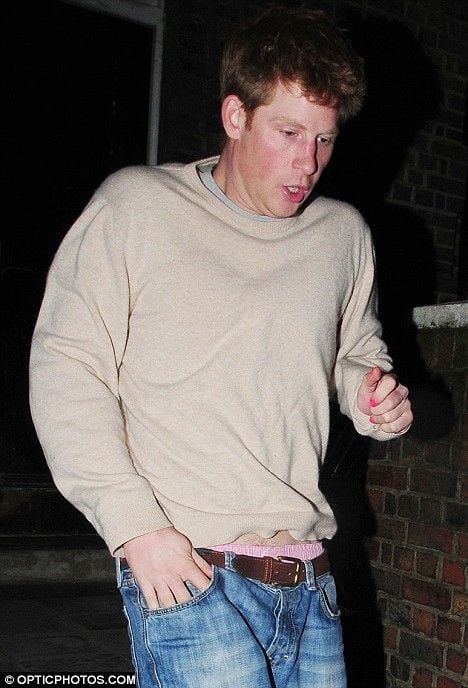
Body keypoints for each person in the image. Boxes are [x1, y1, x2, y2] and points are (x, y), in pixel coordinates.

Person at [30, 6, 413, 688]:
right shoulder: (137, 209)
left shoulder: (341, 235)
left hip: (309, 577)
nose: (308, 163)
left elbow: (354, 348)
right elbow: (68, 369)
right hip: (191, 570)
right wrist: (134, 528)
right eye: (288, 133)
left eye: (324, 139)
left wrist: (370, 391)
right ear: (236, 115)